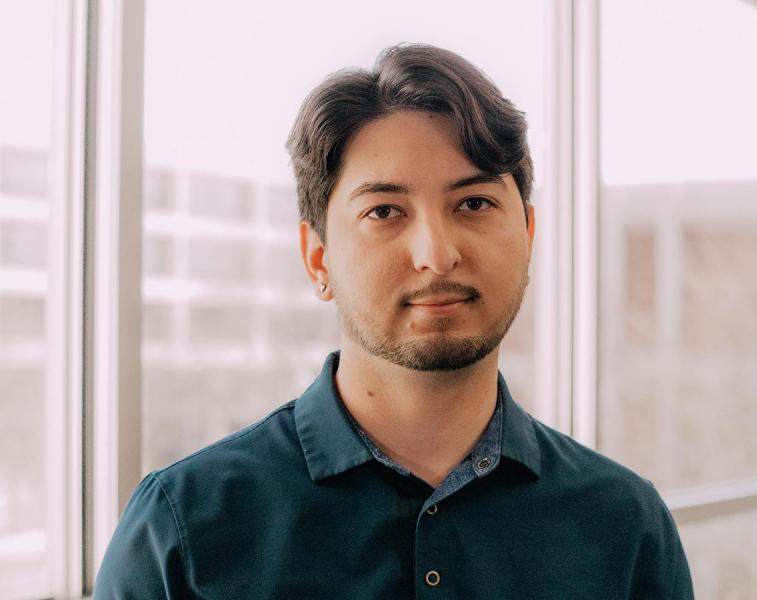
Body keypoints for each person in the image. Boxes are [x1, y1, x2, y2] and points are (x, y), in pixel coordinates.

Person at [94, 43, 694, 599]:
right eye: (385, 211)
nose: (437, 253)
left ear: (528, 236)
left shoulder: (624, 524)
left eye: (474, 203)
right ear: (317, 256)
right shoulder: (185, 526)